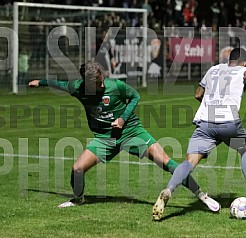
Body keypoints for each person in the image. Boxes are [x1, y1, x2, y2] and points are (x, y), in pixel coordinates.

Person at [28, 61, 220, 211]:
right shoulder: (77, 88)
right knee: (77, 168)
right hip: (105, 138)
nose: (102, 84)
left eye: (101, 79)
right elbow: (58, 83)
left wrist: (122, 118)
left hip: (131, 132)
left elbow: (135, 96)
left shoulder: (115, 86)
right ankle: (78, 199)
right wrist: (41, 82)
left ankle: (202, 195)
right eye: (97, 83)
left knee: (168, 163)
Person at [152, 48, 246, 221]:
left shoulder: (213, 69)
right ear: (244, 62)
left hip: (205, 122)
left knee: (189, 162)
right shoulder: (244, 70)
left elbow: (197, 94)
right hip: (229, 122)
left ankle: (169, 189)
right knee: (245, 149)